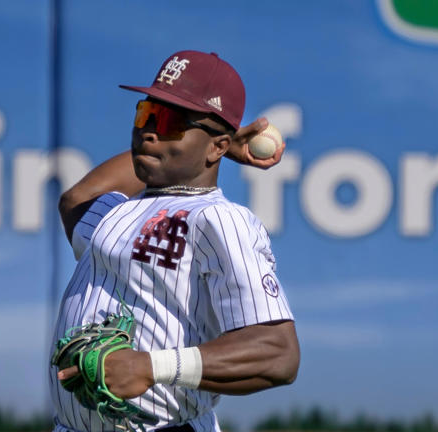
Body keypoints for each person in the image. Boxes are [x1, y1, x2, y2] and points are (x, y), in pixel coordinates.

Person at [48, 50, 299, 432]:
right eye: (146, 113)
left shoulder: (219, 219)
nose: (149, 131)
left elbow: (276, 353)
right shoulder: (119, 211)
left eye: (171, 122)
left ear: (215, 145)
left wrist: (151, 367)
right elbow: (77, 200)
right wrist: (219, 148)